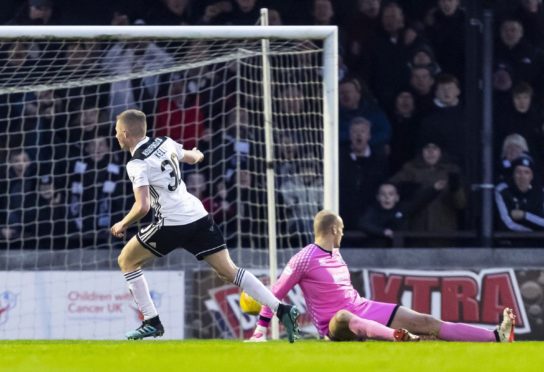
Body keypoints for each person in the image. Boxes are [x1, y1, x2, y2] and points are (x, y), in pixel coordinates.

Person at [110, 109, 300, 341]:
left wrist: (122, 223)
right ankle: (282, 309)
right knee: (229, 271)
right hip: (198, 215)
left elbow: (143, 207)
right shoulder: (164, 142)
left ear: (126, 133)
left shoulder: (136, 163)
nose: (116, 136)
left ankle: (151, 321)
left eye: (117, 132)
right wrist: (198, 154)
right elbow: (192, 157)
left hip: (170, 222)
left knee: (126, 261)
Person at [248, 210, 516, 343]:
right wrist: (260, 331)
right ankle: (396, 336)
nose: (343, 233)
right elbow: (275, 294)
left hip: (363, 308)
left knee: (426, 321)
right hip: (333, 324)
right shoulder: (304, 257)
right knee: (345, 316)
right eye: (340, 228)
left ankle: (496, 336)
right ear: (332, 229)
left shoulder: (337, 254)